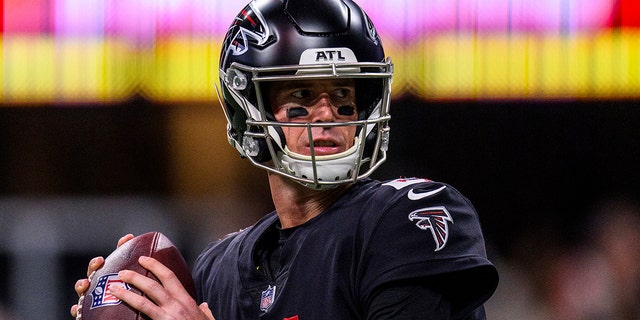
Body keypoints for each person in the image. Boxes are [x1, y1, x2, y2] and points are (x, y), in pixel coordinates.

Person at [71, 0, 499, 319]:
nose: (328, 114)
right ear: (249, 112)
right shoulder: (219, 269)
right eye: (301, 96)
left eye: (345, 98)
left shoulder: (404, 220)